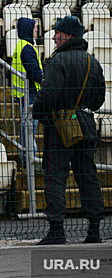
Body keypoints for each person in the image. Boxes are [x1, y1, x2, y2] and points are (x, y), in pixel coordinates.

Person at [32, 16, 106, 245]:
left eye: (57, 33)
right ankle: (94, 230)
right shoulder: (93, 62)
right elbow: (98, 100)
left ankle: (56, 230)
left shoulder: (57, 61)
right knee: (88, 178)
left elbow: (48, 95)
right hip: (86, 125)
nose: (53, 37)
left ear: (68, 35)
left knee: (55, 178)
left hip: (60, 128)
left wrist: (39, 114)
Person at [11, 18, 43, 171]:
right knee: (30, 126)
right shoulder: (28, 48)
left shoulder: (21, 45)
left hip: (23, 91)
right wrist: (44, 80)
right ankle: (30, 159)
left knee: (27, 126)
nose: (36, 30)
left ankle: (27, 158)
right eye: (34, 28)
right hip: (29, 91)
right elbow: (34, 71)